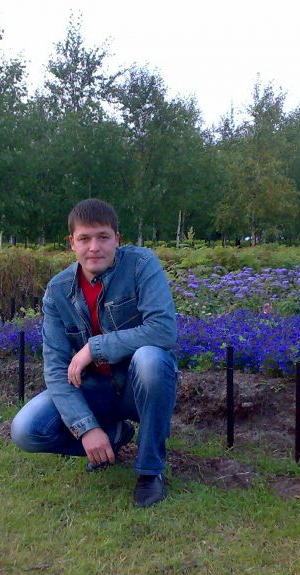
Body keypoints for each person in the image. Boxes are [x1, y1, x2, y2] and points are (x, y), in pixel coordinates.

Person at [11, 198, 178, 508]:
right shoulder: (58, 291)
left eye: (103, 237)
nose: (94, 247)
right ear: (71, 243)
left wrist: (94, 347)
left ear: (117, 239)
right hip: (94, 391)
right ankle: (112, 435)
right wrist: (85, 427)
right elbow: (56, 369)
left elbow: (164, 330)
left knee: (151, 359)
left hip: (137, 388)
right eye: (84, 238)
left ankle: (149, 470)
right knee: (25, 430)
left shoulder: (141, 265)